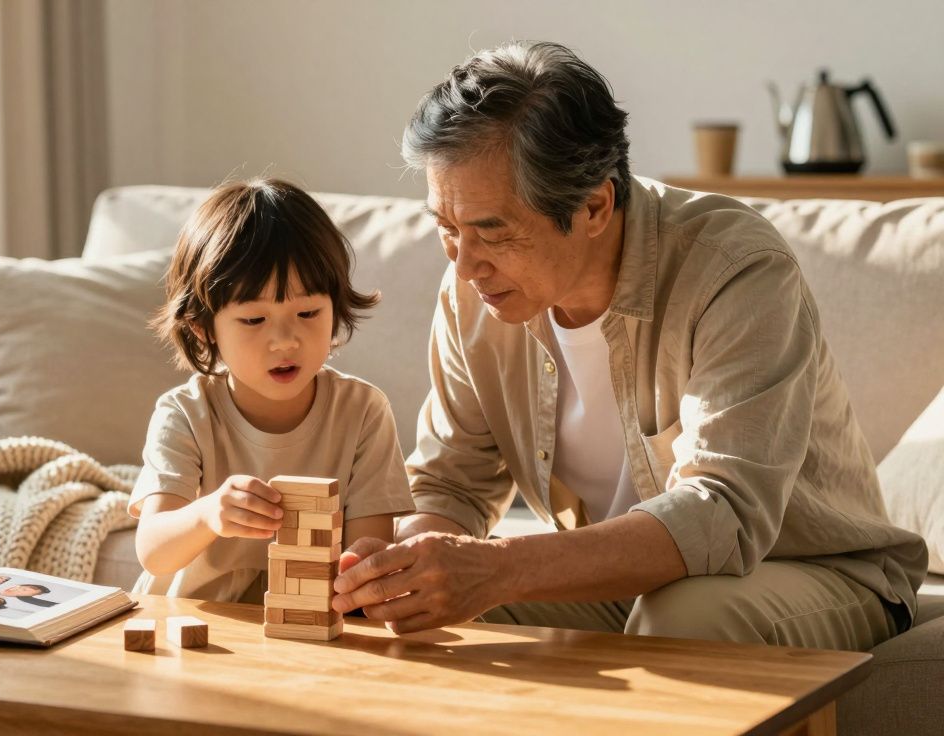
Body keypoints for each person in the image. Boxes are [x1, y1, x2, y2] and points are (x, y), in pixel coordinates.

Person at [332, 41, 927, 650]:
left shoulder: (736, 268)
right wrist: (399, 570)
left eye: (493, 232)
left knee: (685, 619)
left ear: (594, 205)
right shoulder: (474, 291)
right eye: (445, 228)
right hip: (617, 581)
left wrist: (499, 568)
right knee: (406, 623)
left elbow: (723, 512)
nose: (463, 267)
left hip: (807, 569)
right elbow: (453, 484)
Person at [130, 178, 416, 603]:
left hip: (311, 623)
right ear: (202, 328)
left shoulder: (363, 412)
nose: (285, 340)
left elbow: (367, 555)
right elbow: (153, 551)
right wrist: (209, 514)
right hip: (200, 624)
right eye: (254, 320)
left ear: (335, 308)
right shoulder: (186, 413)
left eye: (307, 312)